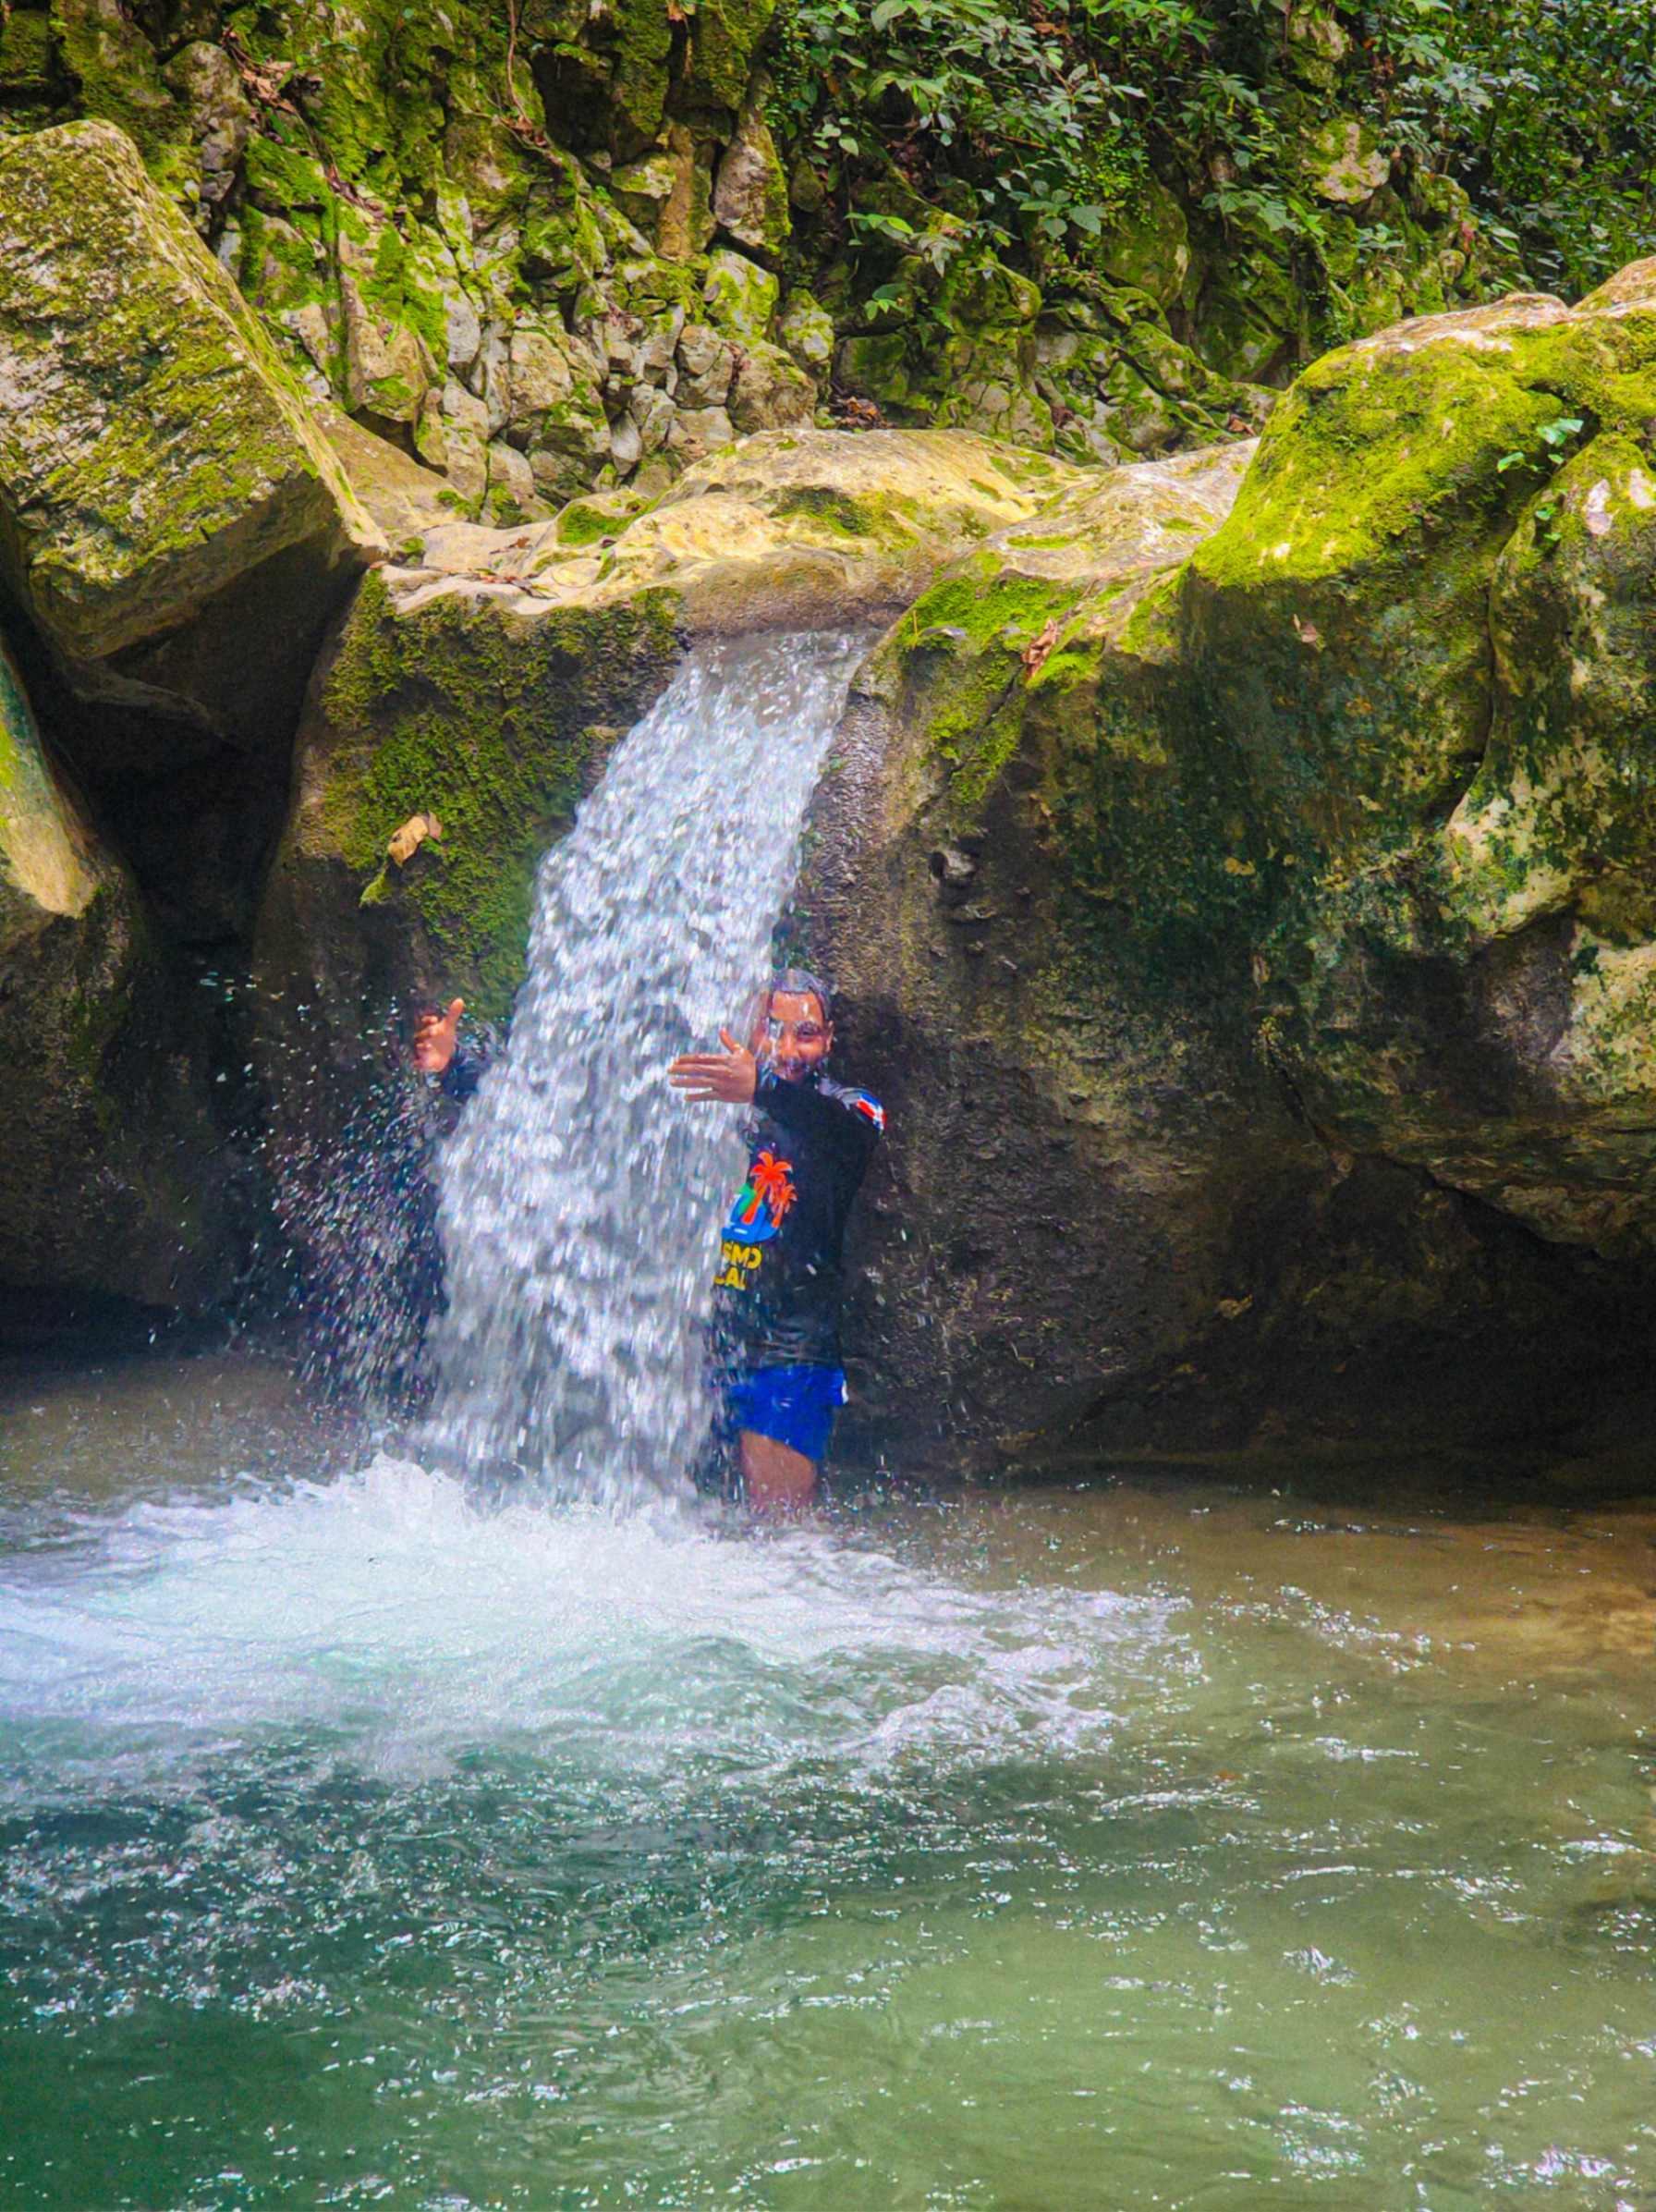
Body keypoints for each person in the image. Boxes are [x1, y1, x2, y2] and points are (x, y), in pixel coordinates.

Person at [668, 970, 883, 1515]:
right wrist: (463, 1069)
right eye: (772, 1030)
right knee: (702, 1526)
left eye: (805, 1034)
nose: (787, 1050)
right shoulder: (713, 1103)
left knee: (780, 1535)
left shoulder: (849, 1108)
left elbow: (840, 1127)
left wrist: (763, 1087)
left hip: (792, 1351)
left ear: (828, 1039)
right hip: (709, 1344)